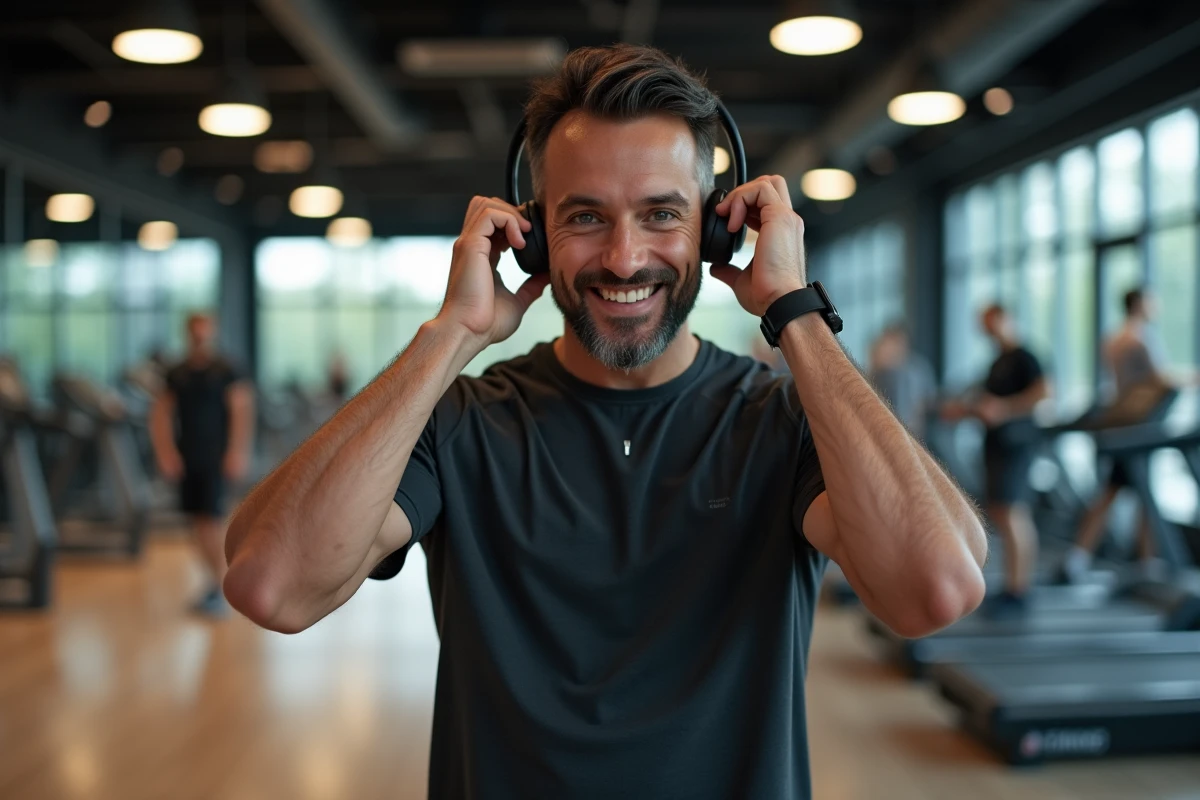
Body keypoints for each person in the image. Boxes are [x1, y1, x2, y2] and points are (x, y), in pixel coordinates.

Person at [223, 45, 986, 799]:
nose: (624, 259)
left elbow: (935, 590)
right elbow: (272, 585)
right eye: (585, 216)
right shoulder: (461, 424)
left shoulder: (783, 422)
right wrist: (450, 335)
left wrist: (795, 313)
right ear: (532, 235)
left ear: (717, 230)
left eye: (662, 214)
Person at [1062, 287, 1179, 583]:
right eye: (1152, 301)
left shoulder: (1113, 338)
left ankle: (1138, 559)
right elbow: (1158, 379)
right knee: (1124, 491)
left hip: (1122, 420)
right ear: (1140, 304)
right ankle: (1090, 555)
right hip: (1140, 423)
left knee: (1126, 490)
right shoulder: (1140, 337)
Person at [943, 304, 1050, 618]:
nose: (987, 331)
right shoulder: (997, 362)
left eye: (990, 324)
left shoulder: (1025, 357)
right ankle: (1011, 588)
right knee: (1003, 512)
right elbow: (985, 403)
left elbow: (1043, 394)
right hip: (996, 446)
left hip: (1017, 444)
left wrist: (1005, 408)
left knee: (1014, 512)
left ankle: (1021, 591)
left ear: (1006, 319)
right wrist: (962, 411)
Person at [150, 313, 255, 617]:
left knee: (211, 520)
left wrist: (237, 451)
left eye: (205, 330)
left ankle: (225, 586)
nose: (200, 336)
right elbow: (161, 414)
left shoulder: (226, 369)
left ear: (212, 332)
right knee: (195, 523)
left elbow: (241, 411)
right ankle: (215, 583)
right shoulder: (177, 372)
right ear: (188, 333)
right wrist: (165, 452)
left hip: (216, 455)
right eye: (195, 331)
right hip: (188, 455)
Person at [868, 322, 936, 440]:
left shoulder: (918, 368)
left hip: (914, 435)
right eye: (892, 342)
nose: (895, 348)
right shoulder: (880, 370)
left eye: (898, 342)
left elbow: (928, 403)